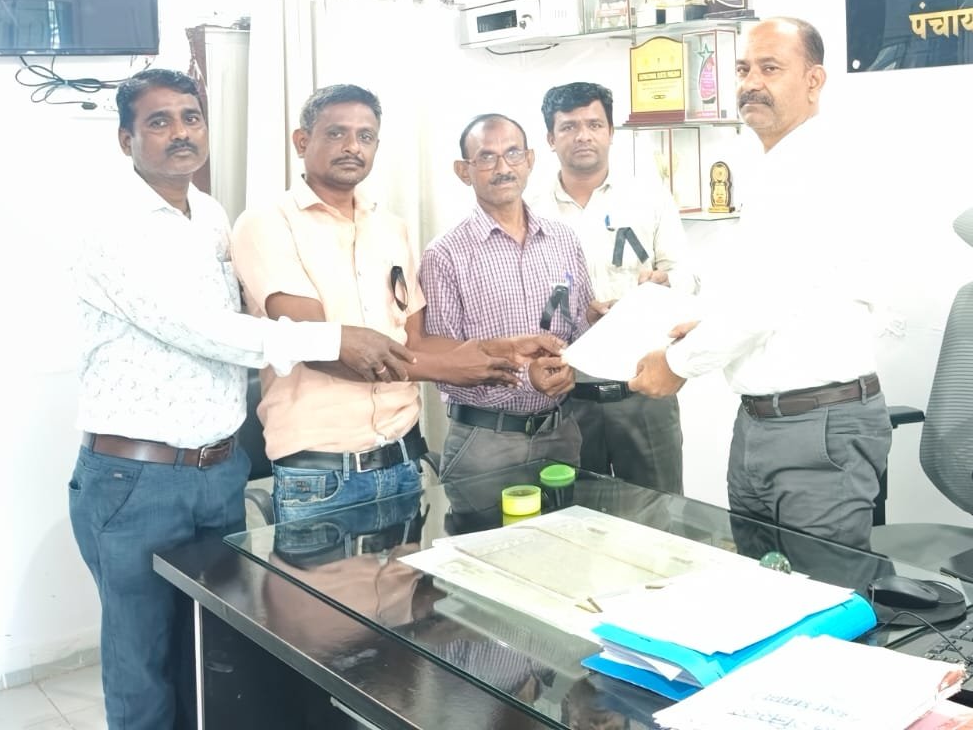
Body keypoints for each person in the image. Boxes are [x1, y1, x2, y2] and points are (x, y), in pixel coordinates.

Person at [69, 68, 414, 730]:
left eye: (190, 118)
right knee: (143, 661)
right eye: (159, 122)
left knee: (210, 655)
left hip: (218, 470)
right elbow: (200, 328)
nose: (180, 133)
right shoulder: (111, 225)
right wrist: (333, 337)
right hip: (136, 477)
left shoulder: (209, 214)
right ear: (125, 139)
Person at [231, 84, 562, 524]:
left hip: (404, 460)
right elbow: (321, 347)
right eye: (337, 133)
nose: (353, 146)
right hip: (323, 471)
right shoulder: (267, 223)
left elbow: (415, 341)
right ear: (302, 141)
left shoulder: (390, 229)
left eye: (365, 136)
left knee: (418, 577)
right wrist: (455, 369)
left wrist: (499, 351)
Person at [629, 19, 891, 551]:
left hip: (816, 429)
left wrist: (676, 364)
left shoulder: (817, 169)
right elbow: (762, 290)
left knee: (821, 591)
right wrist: (687, 303)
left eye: (770, 68)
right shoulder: (774, 167)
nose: (751, 83)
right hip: (763, 421)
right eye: (744, 69)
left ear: (814, 81)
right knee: (760, 586)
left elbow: (761, 305)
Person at [534, 80, 697, 493]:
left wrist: (664, 282)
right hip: (564, 397)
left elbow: (687, 276)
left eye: (594, 124)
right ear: (550, 138)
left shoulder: (648, 196)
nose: (583, 136)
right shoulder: (530, 209)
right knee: (570, 518)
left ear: (611, 132)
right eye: (569, 127)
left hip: (643, 389)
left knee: (659, 517)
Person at [420, 113, 594, 484]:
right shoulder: (444, 254)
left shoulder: (563, 240)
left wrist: (591, 336)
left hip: (561, 434)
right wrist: (527, 379)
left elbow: (578, 330)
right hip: (486, 442)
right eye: (486, 157)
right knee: (482, 527)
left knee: (567, 524)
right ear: (463, 171)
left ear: (529, 160)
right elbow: (444, 367)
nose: (503, 168)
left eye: (513, 153)